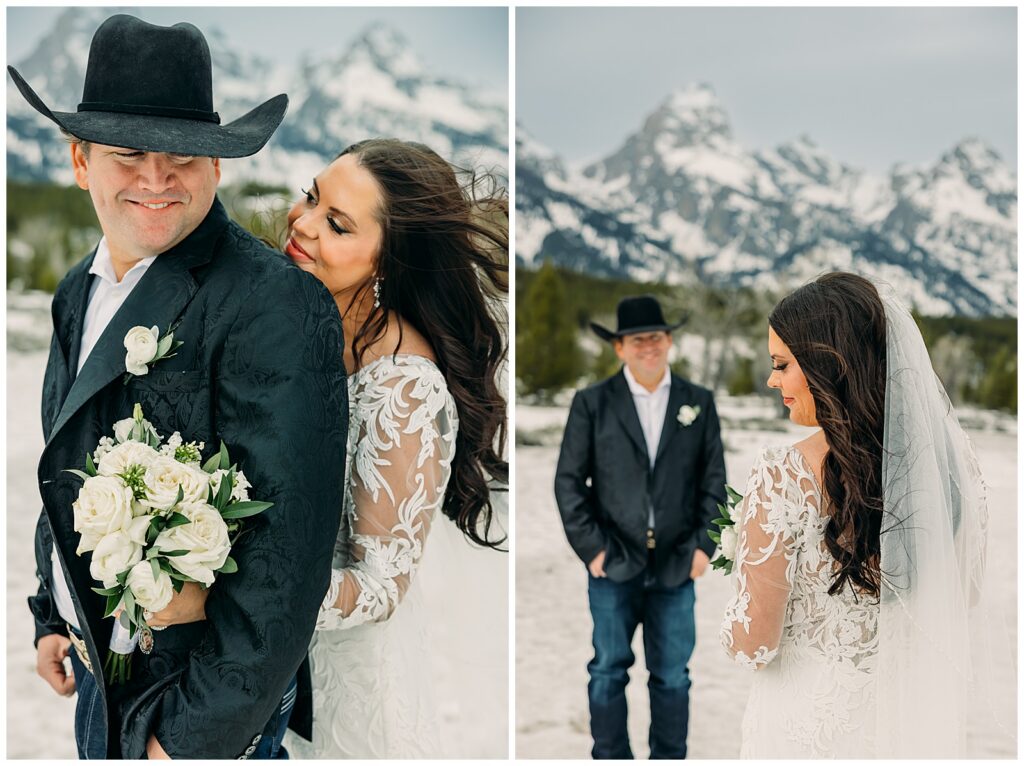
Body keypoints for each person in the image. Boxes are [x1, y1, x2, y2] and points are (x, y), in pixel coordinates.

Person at [10, 15, 347, 759]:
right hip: (101, 681)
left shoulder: (275, 302)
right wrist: (51, 611)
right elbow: (69, 466)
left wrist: (192, 740)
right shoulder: (75, 292)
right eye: (128, 153)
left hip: (192, 710)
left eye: (184, 156)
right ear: (78, 159)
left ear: (217, 166)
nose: (156, 179)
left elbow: (288, 565)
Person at [720, 271, 1005, 757]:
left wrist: (741, 570)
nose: (772, 379)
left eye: (783, 364)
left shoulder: (781, 476)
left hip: (805, 729)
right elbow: (964, 598)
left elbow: (754, 645)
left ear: (828, 366)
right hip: (907, 724)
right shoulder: (954, 468)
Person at [554, 294, 727, 759]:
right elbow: (569, 483)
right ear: (619, 348)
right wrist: (594, 550)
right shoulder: (592, 403)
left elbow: (715, 483)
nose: (647, 347)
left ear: (669, 341)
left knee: (673, 675)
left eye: (655, 337)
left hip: (677, 563)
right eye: (636, 340)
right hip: (612, 563)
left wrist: (703, 548)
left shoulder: (699, 403)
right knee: (608, 670)